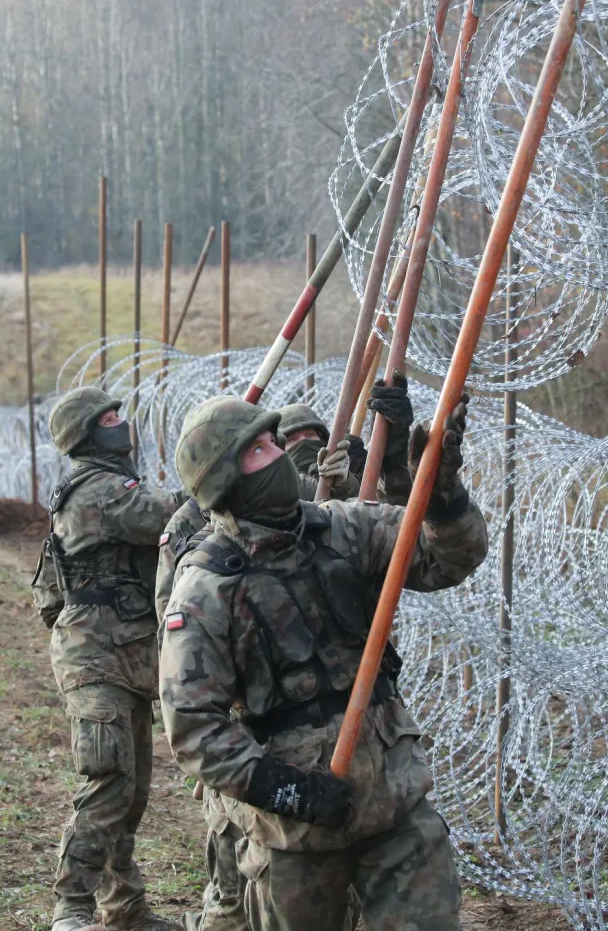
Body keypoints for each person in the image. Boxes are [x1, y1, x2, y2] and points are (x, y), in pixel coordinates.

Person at [159, 391, 485, 931]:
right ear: (224, 480)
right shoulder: (205, 589)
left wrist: (442, 492)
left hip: (394, 803)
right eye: (259, 450)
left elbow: (448, 558)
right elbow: (194, 730)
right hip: (294, 834)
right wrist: (291, 792)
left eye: (274, 442)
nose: (280, 454)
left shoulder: (344, 528)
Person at [31, 386, 184, 931]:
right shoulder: (102, 490)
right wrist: (219, 473)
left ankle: (125, 909)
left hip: (124, 653)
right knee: (108, 781)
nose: (122, 423)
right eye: (110, 418)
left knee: (131, 791)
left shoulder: (99, 485)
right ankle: (71, 908)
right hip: (96, 655)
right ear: (89, 434)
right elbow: (169, 516)